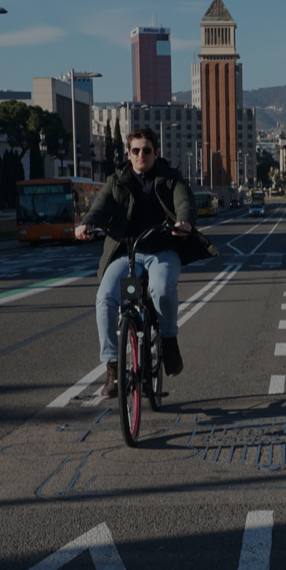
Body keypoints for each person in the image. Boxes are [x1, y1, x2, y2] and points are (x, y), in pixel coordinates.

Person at [74, 129, 195, 397]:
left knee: (162, 288)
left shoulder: (170, 178)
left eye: (147, 150)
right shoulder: (116, 180)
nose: (142, 155)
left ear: (156, 153)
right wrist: (87, 224)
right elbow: (100, 207)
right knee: (105, 298)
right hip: (125, 252)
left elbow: (184, 201)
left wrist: (184, 221)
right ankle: (113, 369)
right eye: (136, 150)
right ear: (128, 154)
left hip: (162, 250)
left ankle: (169, 340)